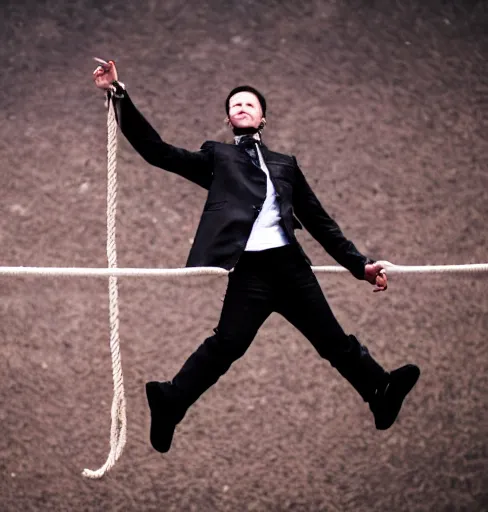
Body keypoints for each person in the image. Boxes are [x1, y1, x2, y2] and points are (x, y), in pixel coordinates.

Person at [93, 61, 420, 454]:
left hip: (290, 266)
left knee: (333, 339)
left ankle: (379, 391)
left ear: (263, 116)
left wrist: (359, 265)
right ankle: (170, 400)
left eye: (249, 103)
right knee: (227, 344)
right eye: (234, 105)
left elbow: (318, 220)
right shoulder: (217, 158)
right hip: (250, 272)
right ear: (229, 120)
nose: (242, 107)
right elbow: (157, 152)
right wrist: (119, 94)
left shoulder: (286, 164)